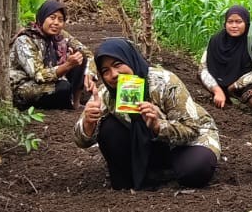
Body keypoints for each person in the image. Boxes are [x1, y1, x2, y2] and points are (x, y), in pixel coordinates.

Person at [75, 37, 220, 191]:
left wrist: (158, 125)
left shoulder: (164, 82)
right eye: (105, 71)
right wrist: (88, 124)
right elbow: (80, 141)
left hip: (189, 138)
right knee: (110, 128)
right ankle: (133, 178)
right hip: (152, 144)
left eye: (118, 64)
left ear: (130, 59)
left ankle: (161, 172)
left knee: (195, 169)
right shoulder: (105, 94)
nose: (114, 74)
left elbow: (191, 129)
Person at [198, 4, 252, 119]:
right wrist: (217, 91)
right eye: (230, 22)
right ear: (225, 24)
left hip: (251, 81)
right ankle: (231, 103)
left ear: (246, 23)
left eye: (239, 22)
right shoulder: (216, 40)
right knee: (203, 88)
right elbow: (203, 69)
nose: (234, 26)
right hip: (222, 81)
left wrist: (234, 86)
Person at [9, 0, 87, 111]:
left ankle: (75, 102)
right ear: (42, 18)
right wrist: (67, 65)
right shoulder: (25, 40)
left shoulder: (58, 37)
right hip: (25, 86)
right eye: (52, 17)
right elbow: (39, 75)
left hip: (50, 79)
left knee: (80, 57)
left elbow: (85, 51)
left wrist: (89, 72)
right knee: (63, 88)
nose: (56, 23)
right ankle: (62, 104)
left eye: (60, 19)